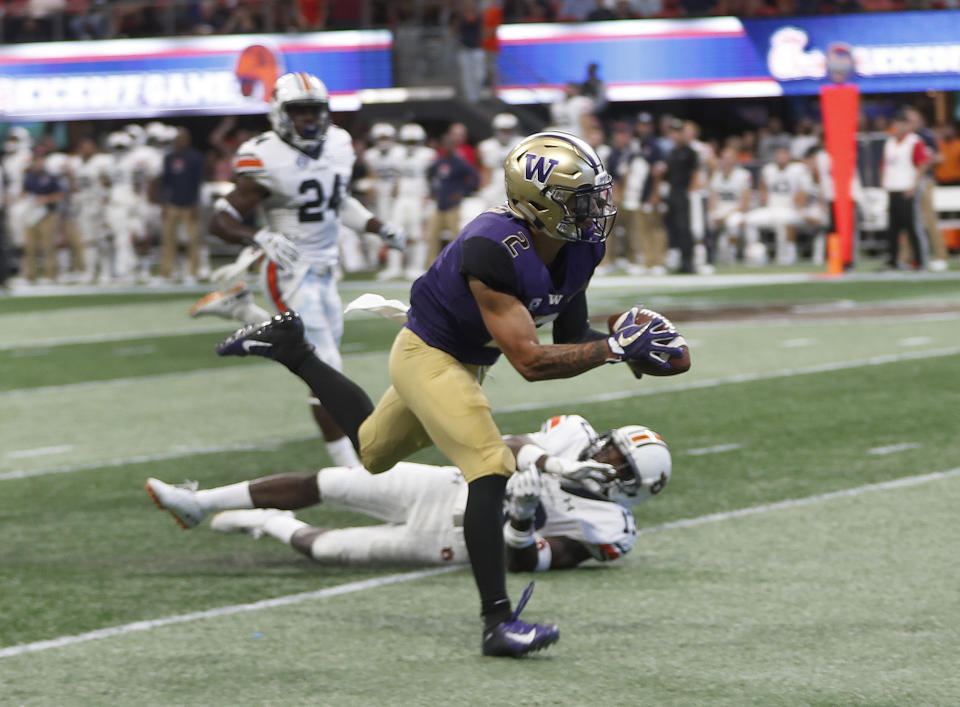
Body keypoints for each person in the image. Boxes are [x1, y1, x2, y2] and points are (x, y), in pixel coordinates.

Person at [208, 131, 686, 658]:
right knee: (489, 467)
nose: (597, 209)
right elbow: (530, 362)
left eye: (597, 195)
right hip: (428, 355)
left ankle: (293, 349)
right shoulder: (492, 247)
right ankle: (497, 623)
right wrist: (616, 349)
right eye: (582, 199)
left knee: (372, 451)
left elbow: (571, 341)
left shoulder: (581, 246)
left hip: (467, 361)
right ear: (537, 200)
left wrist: (635, 351)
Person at [196, 72, 406, 470]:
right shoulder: (263, 154)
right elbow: (219, 221)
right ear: (279, 114)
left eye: (315, 111)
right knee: (324, 367)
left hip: (328, 268)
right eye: (299, 112)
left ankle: (242, 309)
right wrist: (258, 236)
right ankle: (351, 467)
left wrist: (379, 228)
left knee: (323, 362)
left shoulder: (340, 144)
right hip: (289, 268)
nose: (309, 120)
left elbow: (338, 201)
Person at [145, 413, 671, 571]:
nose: (603, 457)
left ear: (632, 489)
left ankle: (270, 523)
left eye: (616, 463)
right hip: (442, 486)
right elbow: (504, 443)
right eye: (611, 448)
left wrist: (525, 516)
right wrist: (552, 464)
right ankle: (200, 503)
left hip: (455, 541)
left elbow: (525, 562)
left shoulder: (611, 530)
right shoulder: (572, 435)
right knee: (328, 482)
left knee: (328, 549)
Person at [383, 122, 435, 281]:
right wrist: (393, 194)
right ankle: (394, 267)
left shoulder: (428, 155)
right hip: (401, 198)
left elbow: (432, 178)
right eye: (408, 141)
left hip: (418, 197)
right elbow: (395, 177)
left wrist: (429, 197)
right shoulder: (396, 154)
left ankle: (415, 267)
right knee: (394, 231)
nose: (410, 145)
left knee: (417, 233)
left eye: (413, 141)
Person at [744, 147, 812, 266]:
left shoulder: (798, 169)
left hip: (791, 209)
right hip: (772, 208)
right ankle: (753, 255)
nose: (781, 158)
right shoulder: (769, 169)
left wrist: (797, 204)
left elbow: (804, 190)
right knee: (749, 220)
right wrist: (765, 200)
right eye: (779, 155)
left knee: (783, 222)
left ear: (789, 157)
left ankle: (784, 257)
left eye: (784, 155)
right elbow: (762, 187)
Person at [881, 110, 929, 270]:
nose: (899, 127)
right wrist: (884, 183)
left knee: (912, 226)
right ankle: (893, 260)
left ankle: (920, 260)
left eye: (902, 124)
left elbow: (922, 163)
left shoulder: (914, 141)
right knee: (893, 227)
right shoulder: (890, 143)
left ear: (907, 126)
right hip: (893, 188)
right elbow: (884, 165)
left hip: (907, 189)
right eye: (897, 123)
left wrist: (914, 185)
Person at [158, 127, 204, 282]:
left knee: (192, 240)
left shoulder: (195, 157)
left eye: (184, 138)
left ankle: (192, 272)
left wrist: (196, 203)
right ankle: (166, 273)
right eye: (179, 138)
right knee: (168, 239)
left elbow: (198, 182)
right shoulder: (169, 157)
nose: (181, 141)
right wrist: (163, 203)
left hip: (189, 204)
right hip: (172, 203)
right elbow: (166, 182)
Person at [426, 130, 478, 263]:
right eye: (446, 144)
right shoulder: (439, 163)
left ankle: (456, 264)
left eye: (451, 144)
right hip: (439, 206)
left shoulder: (460, 163)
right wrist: (433, 191)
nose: (448, 147)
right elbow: (429, 175)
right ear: (442, 145)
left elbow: (475, 179)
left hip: (453, 208)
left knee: (456, 238)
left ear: (455, 146)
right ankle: (431, 265)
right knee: (432, 236)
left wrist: (463, 192)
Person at [20, 149, 64, 283]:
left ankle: (51, 275)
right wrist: (28, 199)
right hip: (32, 214)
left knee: (48, 245)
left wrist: (45, 199)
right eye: (36, 160)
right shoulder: (29, 176)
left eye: (40, 160)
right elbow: (23, 193)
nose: (38, 163)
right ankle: (29, 275)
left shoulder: (51, 176)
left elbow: (60, 195)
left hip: (47, 214)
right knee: (29, 246)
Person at [664, 118, 699, 274]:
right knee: (675, 227)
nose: (675, 135)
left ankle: (689, 261)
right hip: (673, 192)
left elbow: (695, 173)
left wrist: (691, 190)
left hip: (684, 193)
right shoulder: (672, 152)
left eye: (678, 132)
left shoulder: (690, 152)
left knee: (685, 227)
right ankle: (680, 261)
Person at [708, 146, 753, 264]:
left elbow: (744, 203)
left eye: (729, 158)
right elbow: (712, 199)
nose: (726, 160)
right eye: (724, 158)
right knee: (705, 222)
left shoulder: (743, 175)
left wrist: (727, 215)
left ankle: (732, 254)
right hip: (720, 210)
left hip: (736, 211)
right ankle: (707, 254)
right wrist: (713, 213)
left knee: (733, 223)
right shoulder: (716, 175)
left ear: (735, 159)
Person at [476, 112, 520, 210]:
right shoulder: (487, 146)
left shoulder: (521, 144)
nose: (505, 133)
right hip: (495, 185)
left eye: (508, 130)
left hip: (515, 184)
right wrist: (483, 189)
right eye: (502, 130)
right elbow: (486, 170)